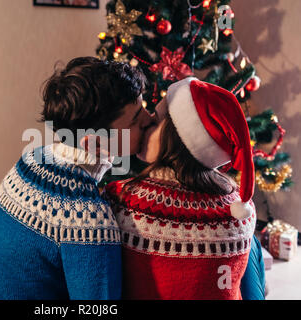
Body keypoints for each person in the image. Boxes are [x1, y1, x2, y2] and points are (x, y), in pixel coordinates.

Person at [0, 56, 154, 299]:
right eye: (136, 120)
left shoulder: (33, 159)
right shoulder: (87, 218)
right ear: (95, 142)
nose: (149, 119)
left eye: (143, 109)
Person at [105, 77, 266, 300]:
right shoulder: (239, 202)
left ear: (177, 137)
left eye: (157, 118)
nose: (148, 121)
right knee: (254, 249)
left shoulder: (122, 201)